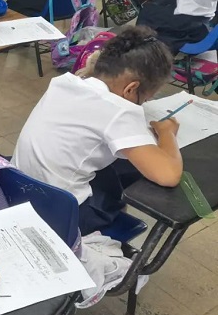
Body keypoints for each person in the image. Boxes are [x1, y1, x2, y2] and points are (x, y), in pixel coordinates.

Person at [12, 26, 182, 235]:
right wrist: (167, 133)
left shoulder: (64, 82)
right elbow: (169, 175)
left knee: (119, 163)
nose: (144, 103)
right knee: (129, 173)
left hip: (16, 191)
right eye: (145, 98)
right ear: (130, 89)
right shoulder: (119, 112)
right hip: (61, 215)